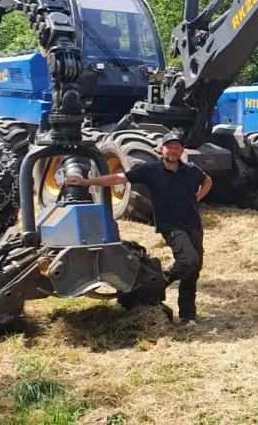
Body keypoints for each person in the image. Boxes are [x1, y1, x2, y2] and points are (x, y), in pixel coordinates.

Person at [65, 132, 212, 325]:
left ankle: (188, 315)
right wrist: (86, 182)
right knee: (188, 260)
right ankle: (162, 279)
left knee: (193, 269)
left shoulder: (191, 169)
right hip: (171, 225)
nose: (173, 150)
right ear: (162, 149)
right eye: (169, 147)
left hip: (193, 224)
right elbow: (119, 178)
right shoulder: (151, 170)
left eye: (177, 147)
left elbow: (207, 181)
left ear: (182, 150)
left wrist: (197, 198)